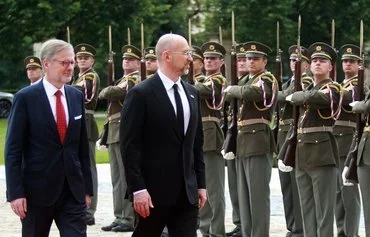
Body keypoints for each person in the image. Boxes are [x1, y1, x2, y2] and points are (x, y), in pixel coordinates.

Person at [120, 33, 207, 237]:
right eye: (186, 53)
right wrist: (138, 189)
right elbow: (129, 147)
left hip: (186, 193)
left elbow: (196, 144)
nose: (190, 58)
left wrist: (201, 184)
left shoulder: (192, 93)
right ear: (167, 56)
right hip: (152, 193)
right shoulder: (141, 94)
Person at [5, 39, 93, 237]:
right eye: (64, 63)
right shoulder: (25, 98)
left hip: (72, 191)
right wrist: (15, 193)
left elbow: (81, 147)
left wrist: (87, 188)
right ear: (46, 64)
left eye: (72, 62)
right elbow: (13, 149)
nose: (70, 67)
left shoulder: (75, 96)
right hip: (36, 192)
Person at [285, 42, 340, 237]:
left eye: (322, 61)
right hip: (302, 154)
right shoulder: (309, 87)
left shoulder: (333, 88)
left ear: (330, 67)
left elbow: (318, 98)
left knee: (324, 211)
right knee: (307, 208)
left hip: (321, 153)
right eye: (315, 60)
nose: (317, 63)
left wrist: (297, 95)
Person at [223, 41, 278, 237]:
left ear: (264, 61)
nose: (251, 62)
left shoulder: (266, 78)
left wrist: (232, 90)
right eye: (248, 59)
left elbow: (255, 93)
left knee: (257, 195)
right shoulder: (245, 80)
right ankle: (247, 233)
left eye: (255, 59)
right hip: (241, 141)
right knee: (244, 196)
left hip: (257, 140)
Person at [98, 45, 141, 232]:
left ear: (138, 63)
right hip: (114, 132)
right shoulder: (123, 79)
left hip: (124, 131)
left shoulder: (135, 78)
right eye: (124, 59)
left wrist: (108, 89)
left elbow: (111, 93)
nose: (126, 62)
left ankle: (129, 217)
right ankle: (120, 215)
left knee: (125, 177)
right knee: (116, 178)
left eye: (131, 60)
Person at [276, 45, 312, 237]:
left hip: (294, 135)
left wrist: (275, 95)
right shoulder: (291, 81)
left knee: (296, 186)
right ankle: (292, 226)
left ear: (306, 64)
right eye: (291, 60)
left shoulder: (305, 80)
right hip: (284, 135)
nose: (293, 63)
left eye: (298, 61)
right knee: (286, 186)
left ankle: (299, 228)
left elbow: (286, 97)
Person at [195, 41, 227, 237]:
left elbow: (202, 91)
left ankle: (217, 231)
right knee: (202, 187)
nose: (208, 61)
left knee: (214, 189)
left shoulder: (218, 80)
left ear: (221, 61)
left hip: (211, 135)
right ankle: (205, 229)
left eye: (213, 58)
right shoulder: (200, 80)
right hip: (198, 135)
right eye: (206, 58)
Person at [332, 44, 362, 237]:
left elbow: (350, 101)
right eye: (345, 61)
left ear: (359, 65)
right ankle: (342, 231)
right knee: (337, 194)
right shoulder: (340, 84)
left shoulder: (360, 86)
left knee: (349, 194)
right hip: (334, 141)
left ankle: (351, 233)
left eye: (352, 61)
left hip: (348, 140)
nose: (347, 64)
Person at [73, 43, 100, 225]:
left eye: (85, 58)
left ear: (92, 60)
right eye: (79, 58)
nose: (82, 60)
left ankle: (90, 211)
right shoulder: (77, 77)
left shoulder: (90, 76)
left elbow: (86, 96)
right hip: (78, 120)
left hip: (87, 120)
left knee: (88, 166)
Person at [224, 43, 248, 237]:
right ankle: (240, 222)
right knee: (234, 184)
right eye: (238, 60)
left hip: (248, 136)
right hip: (234, 134)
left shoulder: (247, 84)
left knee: (246, 185)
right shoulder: (233, 83)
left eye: (244, 59)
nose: (241, 63)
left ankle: (246, 224)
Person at [347, 89, 370, 236]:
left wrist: (358, 105)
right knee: (368, 206)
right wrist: (350, 160)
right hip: (365, 150)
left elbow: (367, 107)